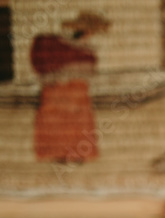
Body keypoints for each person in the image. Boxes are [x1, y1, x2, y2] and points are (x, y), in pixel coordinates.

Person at [30, 11, 110, 163]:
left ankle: (76, 152)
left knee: (77, 122)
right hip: (60, 89)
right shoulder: (57, 44)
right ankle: (59, 153)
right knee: (59, 121)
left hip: (76, 90)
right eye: (91, 31)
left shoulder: (87, 51)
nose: (91, 35)